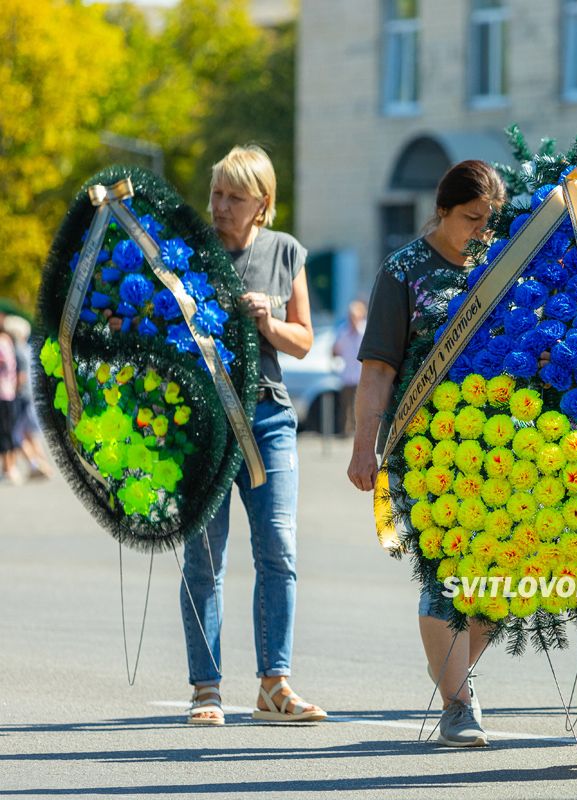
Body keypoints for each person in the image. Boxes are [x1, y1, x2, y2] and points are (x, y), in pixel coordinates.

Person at [346, 159, 507, 747]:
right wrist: (366, 447)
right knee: (445, 570)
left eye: (491, 221)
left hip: (499, 446)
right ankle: (458, 704)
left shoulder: (502, 266)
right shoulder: (405, 272)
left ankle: (454, 672)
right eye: (471, 219)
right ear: (441, 210)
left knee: (500, 575)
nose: (483, 232)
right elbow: (378, 369)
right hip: (425, 447)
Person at [179, 144, 325, 726]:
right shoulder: (185, 252)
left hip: (268, 420)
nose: (220, 205)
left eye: (234, 197)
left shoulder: (286, 252)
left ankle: (274, 686)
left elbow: (305, 340)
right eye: (216, 193)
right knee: (203, 559)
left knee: (279, 552)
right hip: (204, 424)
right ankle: (206, 691)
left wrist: (269, 319)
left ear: (262, 204)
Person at [4, 314, 52, 480]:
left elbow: (21, 375)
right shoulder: (28, 348)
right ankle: (42, 464)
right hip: (30, 395)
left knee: (17, 433)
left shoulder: (16, 349)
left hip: (21, 396)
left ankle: (35, 465)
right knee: (32, 433)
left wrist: (14, 390)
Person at [332, 300, 366, 437]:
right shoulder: (343, 331)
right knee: (345, 407)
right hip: (347, 376)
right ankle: (345, 432)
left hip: (361, 376)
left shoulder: (365, 331)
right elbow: (335, 350)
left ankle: (359, 433)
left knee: (360, 408)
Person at [0, 312, 18, 485]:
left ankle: (10, 467)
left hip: (3, 392)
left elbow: (5, 363)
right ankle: (7, 467)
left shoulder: (2, 341)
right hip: (8, 391)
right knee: (6, 431)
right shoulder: (7, 340)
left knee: (5, 432)